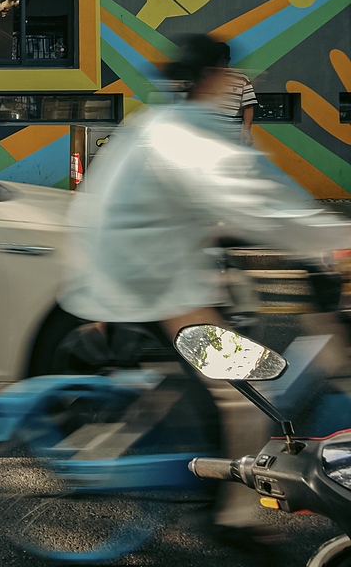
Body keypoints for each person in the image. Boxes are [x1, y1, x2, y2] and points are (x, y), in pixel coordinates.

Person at [58, 33, 346, 551]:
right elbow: (258, 203)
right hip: (153, 280)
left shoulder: (156, 122)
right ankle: (234, 517)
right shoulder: (192, 138)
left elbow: (223, 200)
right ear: (215, 77)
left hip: (126, 270)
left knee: (217, 348)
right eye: (232, 72)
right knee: (247, 390)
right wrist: (332, 240)